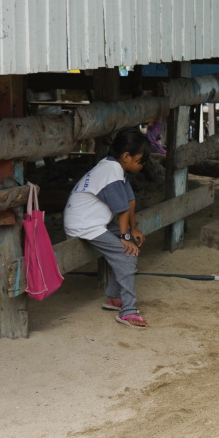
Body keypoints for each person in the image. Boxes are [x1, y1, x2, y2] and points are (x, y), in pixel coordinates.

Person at [63, 128, 151, 328]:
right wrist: (124, 236)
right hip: (84, 224)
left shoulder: (116, 168)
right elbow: (120, 210)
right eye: (140, 161)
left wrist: (133, 230)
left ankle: (114, 296)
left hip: (92, 221)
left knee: (130, 246)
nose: (143, 165)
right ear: (126, 156)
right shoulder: (111, 170)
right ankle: (128, 310)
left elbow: (129, 201)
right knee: (127, 254)